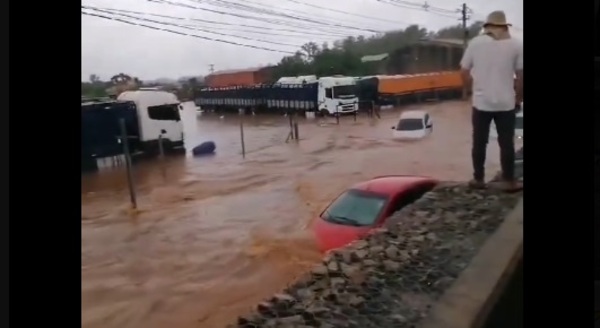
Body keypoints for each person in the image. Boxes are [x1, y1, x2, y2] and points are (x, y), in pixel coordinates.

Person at [460, 10, 523, 191]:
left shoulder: (475, 44)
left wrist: (470, 92)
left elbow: (464, 71)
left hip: (481, 103)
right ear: (504, 26)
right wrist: (518, 99)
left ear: (487, 27)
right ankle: (509, 180)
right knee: (506, 142)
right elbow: (521, 76)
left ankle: (478, 179)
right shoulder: (516, 45)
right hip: (506, 103)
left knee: (479, 141)